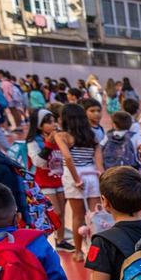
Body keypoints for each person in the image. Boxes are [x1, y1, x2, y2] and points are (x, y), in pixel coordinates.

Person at [52, 104, 100, 262]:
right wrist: (100, 175)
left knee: (77, 216)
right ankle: (98, 249)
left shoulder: (62, 136)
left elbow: (67, 157)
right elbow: (98, 158)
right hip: (92, 173)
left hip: (74, 175)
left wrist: (77, 179)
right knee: (95, 215)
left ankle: (79, 252)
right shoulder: (92, 134)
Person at [24, 109, 68, 251]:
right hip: (44, 181)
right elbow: (38, 162)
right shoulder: (34, 141)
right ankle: (46, 241)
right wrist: (48, 145)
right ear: (39, 125)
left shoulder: (59, 137)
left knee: (62, 211)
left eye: (54, 121)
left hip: (59, 179)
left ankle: (60, 240)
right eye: (48, 122)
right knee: (56, 212)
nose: (53, 124)